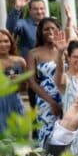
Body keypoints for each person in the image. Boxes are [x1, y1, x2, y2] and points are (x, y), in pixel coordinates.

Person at [27, 17, 64, 145]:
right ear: (40, 32)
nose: (50, 31)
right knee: (47, 136)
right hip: (45, 99)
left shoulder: (64, 49)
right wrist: (52, 103)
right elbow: (32, 82)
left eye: (53, 28)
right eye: (46, 29)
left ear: (59, 31)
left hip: (66, 95)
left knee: (66, 133)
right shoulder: (33, 53)